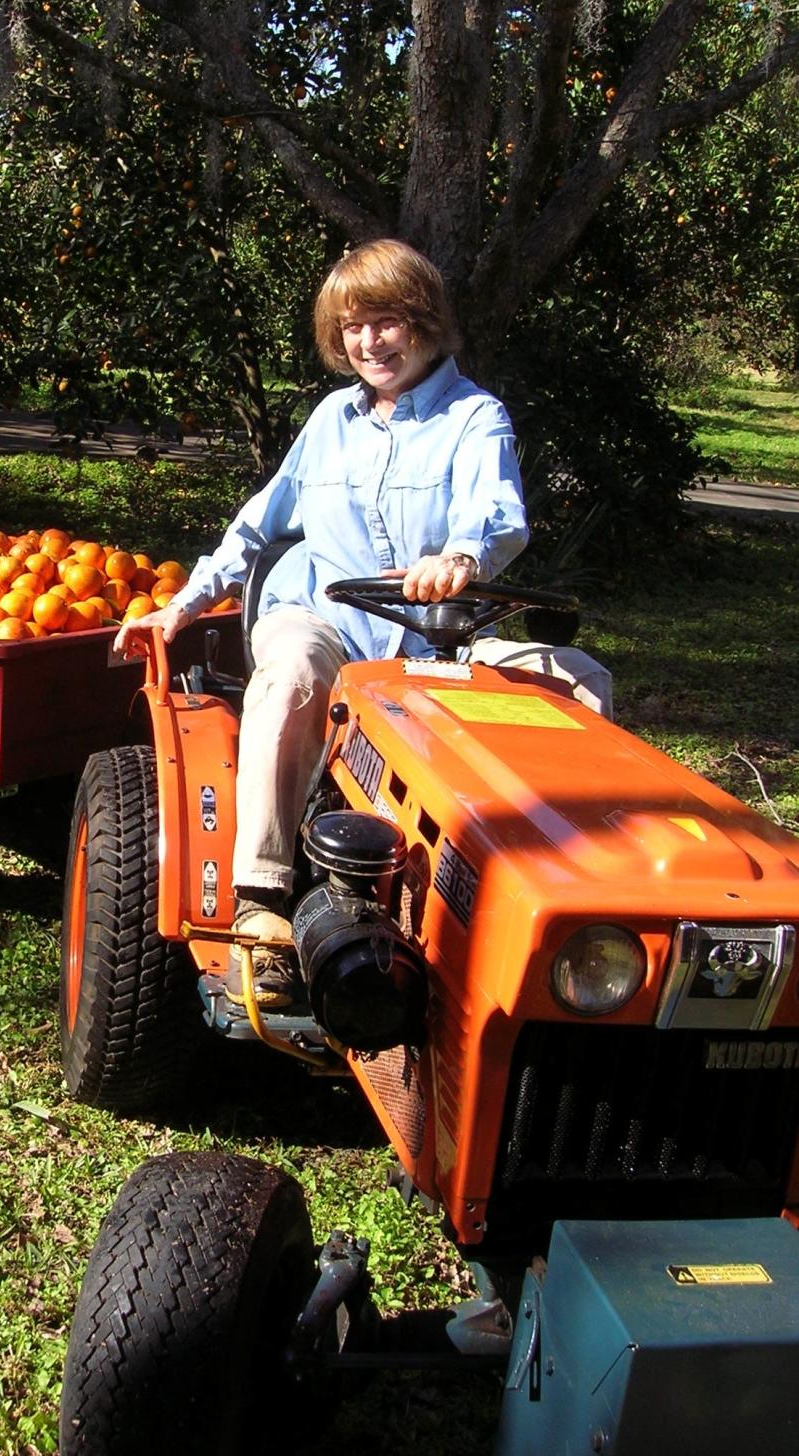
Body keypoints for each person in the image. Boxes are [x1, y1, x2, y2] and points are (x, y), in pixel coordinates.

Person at [113, 238, 611, 1005]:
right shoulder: (329, 422)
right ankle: (264, 903)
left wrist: (464, 558)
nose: (369, 341)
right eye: (352, 326)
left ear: (425, 322)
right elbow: (257, 525)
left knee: (578, 681)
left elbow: (498, 515)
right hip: (326, 619)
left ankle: (569, 889)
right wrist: (180, 605)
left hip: (438, 638)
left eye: (386, 321)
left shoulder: (475, 417)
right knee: (292, 671)